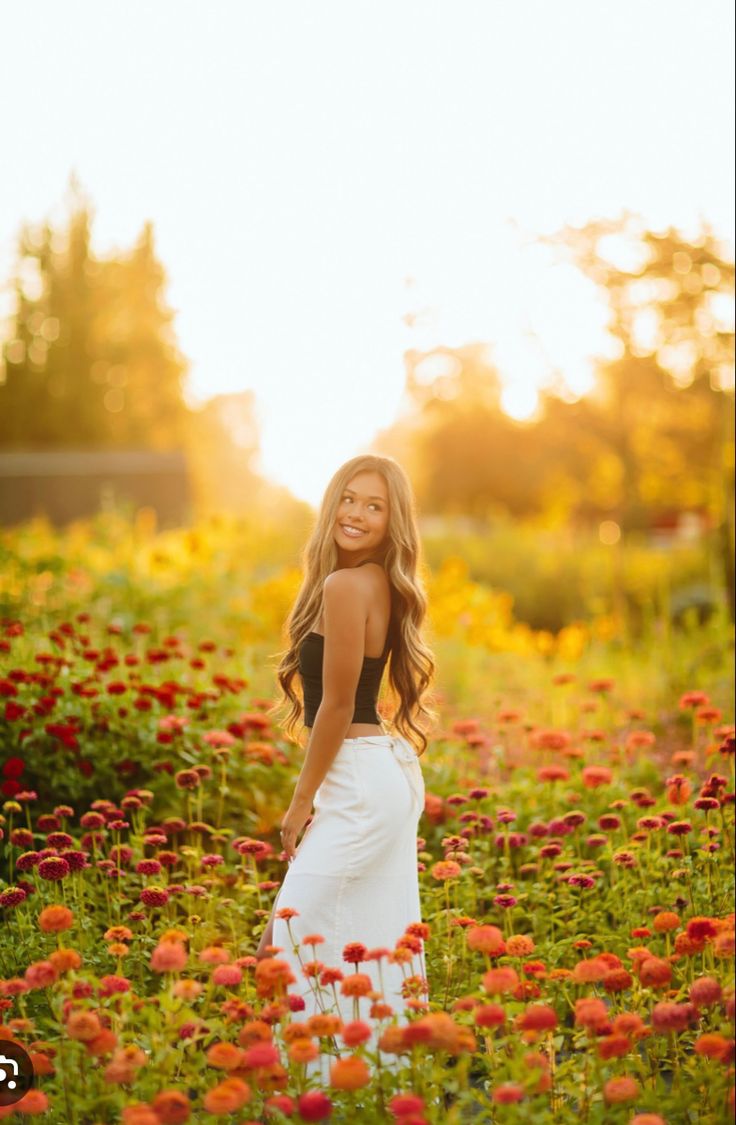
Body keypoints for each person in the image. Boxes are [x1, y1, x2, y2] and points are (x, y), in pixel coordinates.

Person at [255, 453, 436, 1078]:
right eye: (350, 499)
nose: (357, 514)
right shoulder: (377, 583)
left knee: (286, 941)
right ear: (332, 503)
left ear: (392, 523)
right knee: (365, 938)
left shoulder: (344, 585)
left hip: (358, 781)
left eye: (375, 506)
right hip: (378, 772)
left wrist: (300, 802)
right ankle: (363, 1081)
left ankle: (317, 1083)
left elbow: (334, 706)